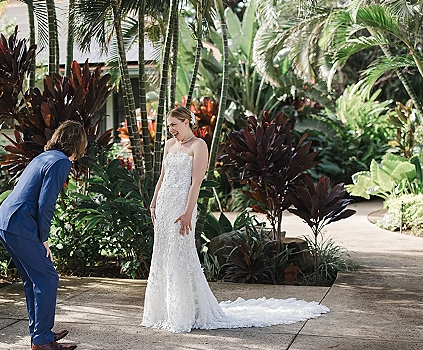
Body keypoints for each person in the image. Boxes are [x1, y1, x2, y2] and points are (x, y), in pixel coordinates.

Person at [141, 107, 329, 333]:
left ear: (185, 122)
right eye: (168, 126)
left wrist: (188, 212)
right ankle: (164, 311)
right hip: (163, 207)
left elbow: (196, 183)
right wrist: (153, 203)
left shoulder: (198, 145)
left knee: (181, 255)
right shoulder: (169, 146)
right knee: (164, 256)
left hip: (182, 208)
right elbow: (163, 176)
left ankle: (186, 312)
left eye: (174, 125)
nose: (170, 130)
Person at [0, 120, 87, 350]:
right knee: (47, 279)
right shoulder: (61, 161)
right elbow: (46, 203)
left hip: (5, 221)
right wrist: (43, 237)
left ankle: (40, 333)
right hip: (20, 225)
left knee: (34, 280)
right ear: (78, 143)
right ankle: (42, 341)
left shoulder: (44, 157)